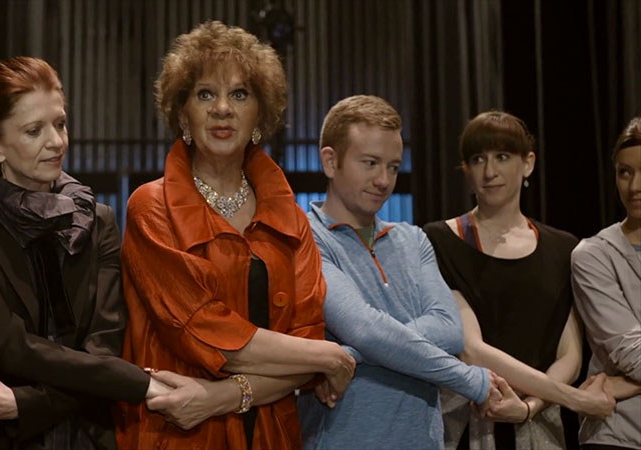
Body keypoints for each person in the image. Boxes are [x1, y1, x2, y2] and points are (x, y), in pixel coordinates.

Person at [117, 21, 355, 450]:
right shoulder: (150, 208)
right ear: (182, 112)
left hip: (273, 433)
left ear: (259, 116)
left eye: (239, 94)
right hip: (178, 434)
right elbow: (205, 335)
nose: (222, 109)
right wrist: (330, 357)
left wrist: (221, 397)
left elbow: (304, 342)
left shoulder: (291, 217)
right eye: (205, 94)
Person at [0, 56, 173, 450]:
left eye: (60, 123)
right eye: (34, 131)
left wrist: (23, 403)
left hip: (90, 436)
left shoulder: (98, 219)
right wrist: (138, 385)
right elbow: (10, 346)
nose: (57, 141)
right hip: (0, 439)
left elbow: (105, 342)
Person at [295, 94, 509, 450]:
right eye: (370, 163)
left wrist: (345, 355)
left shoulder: (414, 239)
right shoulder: (303, 238)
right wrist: (473, 381)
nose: (383, 180)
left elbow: (449, 330)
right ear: (330, 162)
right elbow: (363, 327)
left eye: (393, 167)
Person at [423, 111, 615, 449]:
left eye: (502, 157)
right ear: (466, 170)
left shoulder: (563, 247)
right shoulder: (440, 239)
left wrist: (529, 407)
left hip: (541, 426)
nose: (490, 171)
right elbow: (472, 350)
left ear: (528, 163)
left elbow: (569, 353)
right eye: (478, 159)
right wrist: (576, 400)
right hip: (468, 421)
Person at [572, 117, 641, 450]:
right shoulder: (593, 255)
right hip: (619, 435)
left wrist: (629, 384)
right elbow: (632, 353)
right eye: (624, 172)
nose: (634, 186)